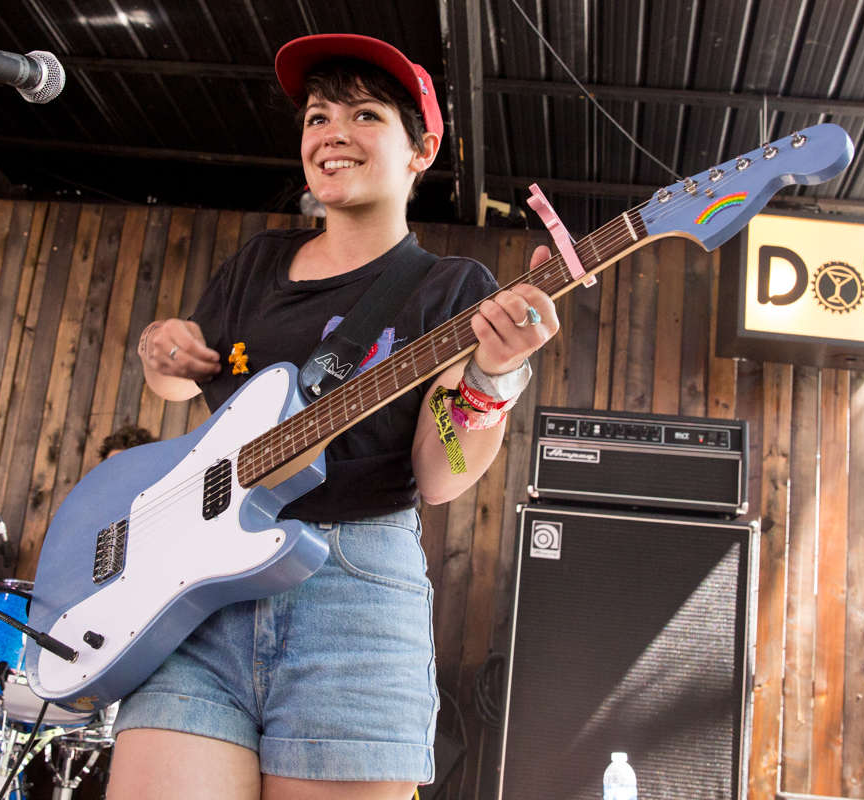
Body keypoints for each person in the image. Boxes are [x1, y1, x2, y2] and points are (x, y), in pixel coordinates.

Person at [107, 34, 558, 800]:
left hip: (352, 596)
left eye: (365, 114)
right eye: (317, 116)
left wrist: (493, 374)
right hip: (195, 595)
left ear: (421, 152)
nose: (332, 133)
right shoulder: (255, 264)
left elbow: (440, 474)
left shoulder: (453, 289)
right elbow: (186, 390)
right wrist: (162, 349)